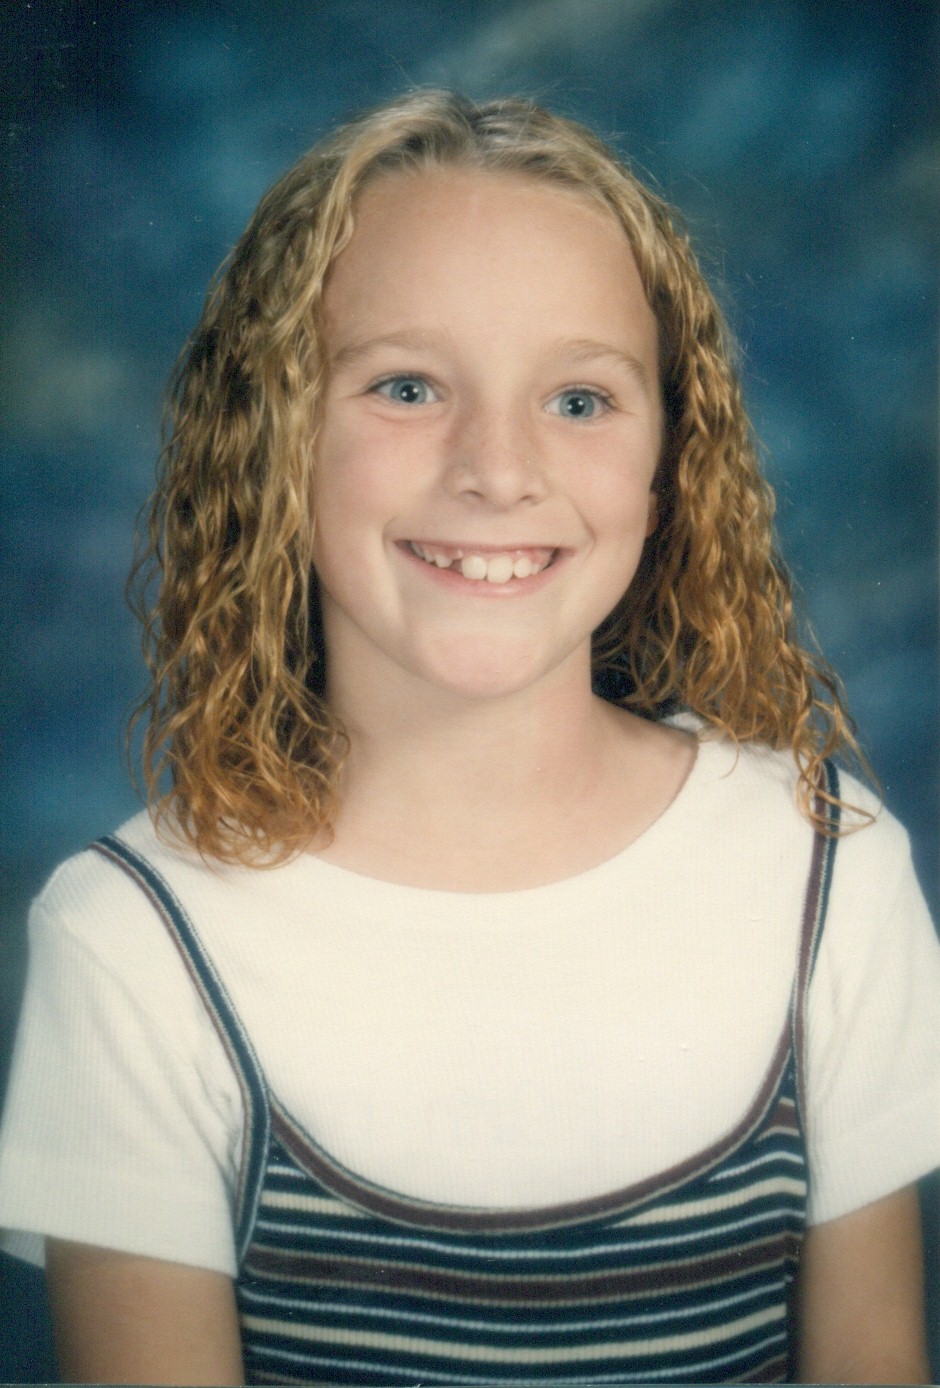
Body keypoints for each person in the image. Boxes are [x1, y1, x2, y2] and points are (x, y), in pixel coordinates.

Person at [0, 89, 938, 1387]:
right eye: (406, 387)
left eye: (580, 399)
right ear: (274, 438)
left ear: (669, 458)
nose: (498, 468)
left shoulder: (824, 867)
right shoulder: (135, 946)